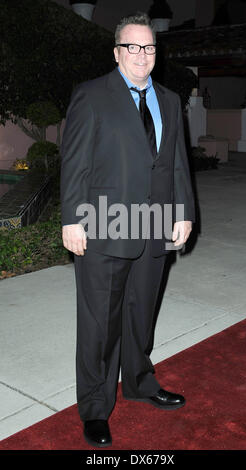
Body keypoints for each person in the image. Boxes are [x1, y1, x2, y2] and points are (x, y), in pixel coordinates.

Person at [60, 12, 195, 448]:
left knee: (140, 314)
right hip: (103, 223)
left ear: (156, 53)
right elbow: (76, 163)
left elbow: (176, 163)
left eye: (149, 47)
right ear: (118, 52)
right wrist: (71, 220)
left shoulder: (170, 100)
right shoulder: (92, 95)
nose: (142, 55)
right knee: (100, 324)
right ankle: (96, 408)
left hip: (154, 223)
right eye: (133, 47)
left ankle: (139, 381)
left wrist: (184, 213)